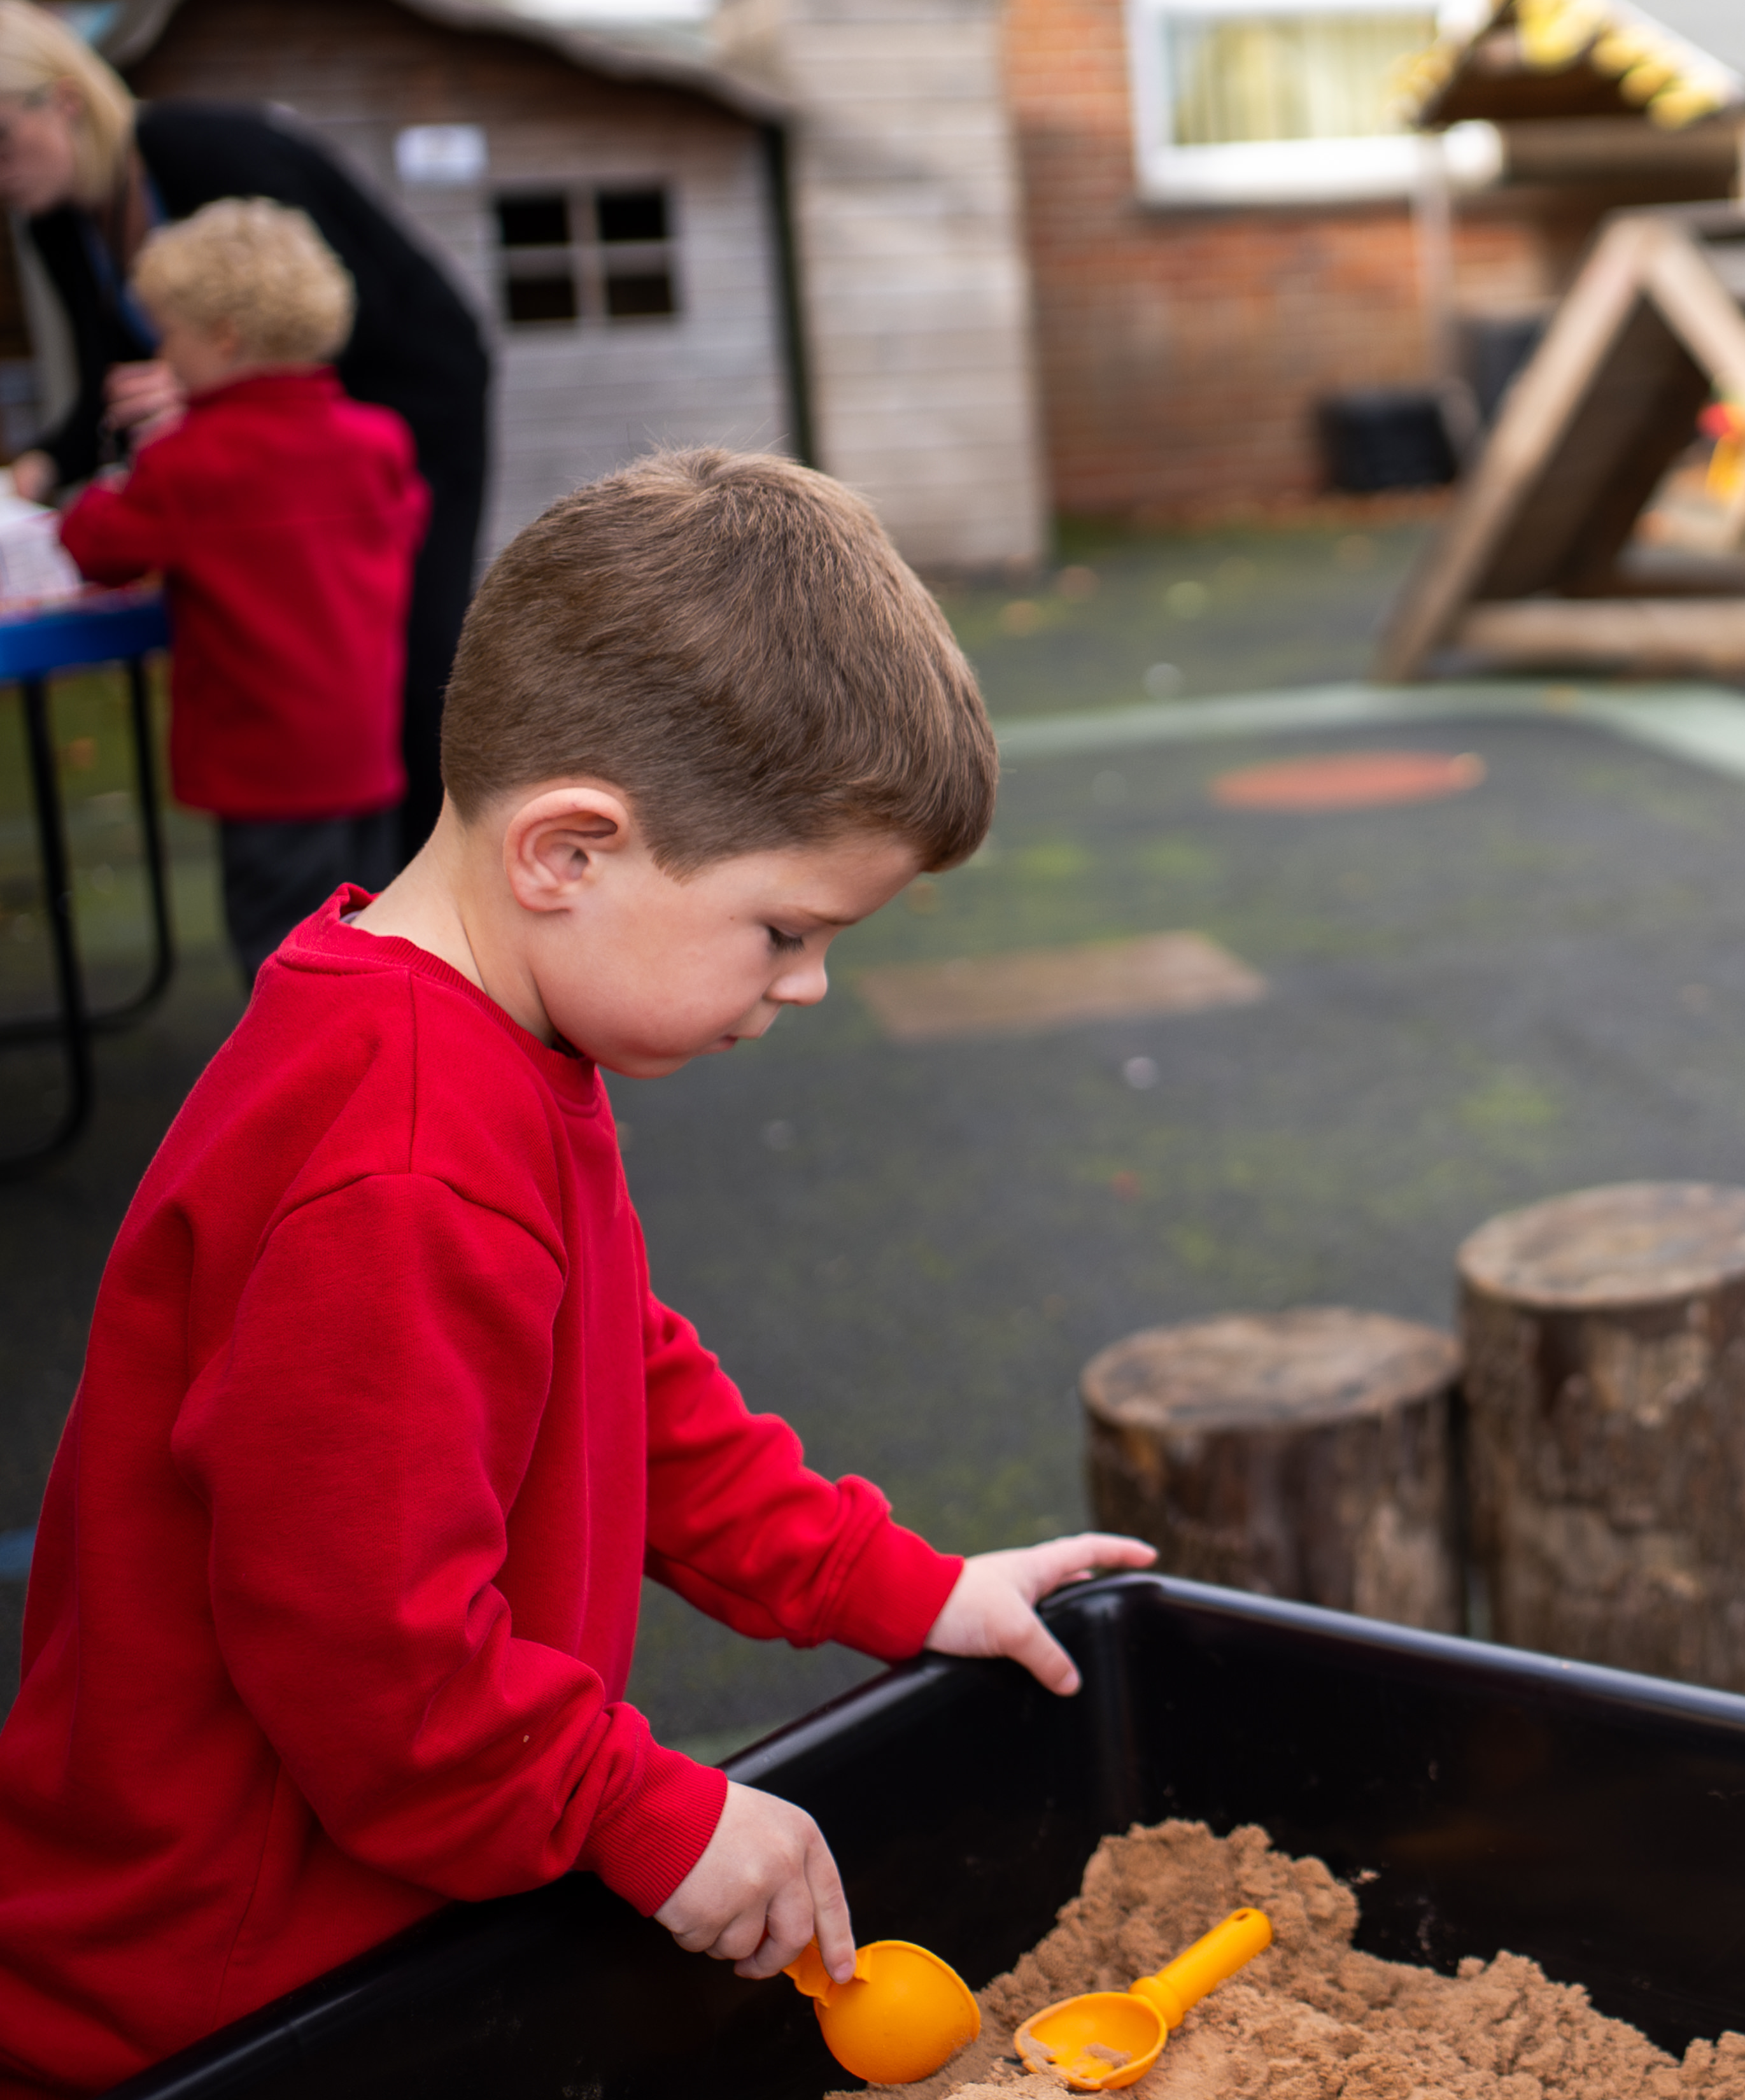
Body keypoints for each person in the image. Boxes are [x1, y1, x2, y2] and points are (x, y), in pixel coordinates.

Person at [0, 449, 1155, 2098]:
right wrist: (644, 1811)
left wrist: (900, 1583)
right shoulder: (400, 1166)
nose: (812, 986)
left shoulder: (487, 1034)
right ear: (570, 853)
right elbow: (369, 1659)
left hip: (360, 1912)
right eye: (783, 931)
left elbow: (620, 1387)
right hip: (223, 1991)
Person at [0, 0, 493, 865]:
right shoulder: (58, 225)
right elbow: (108, 386)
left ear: (62, 103)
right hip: (271, 445)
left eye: (1, 142)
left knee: (407, 659)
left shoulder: (213, 152)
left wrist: (216, 396)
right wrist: (37, 468)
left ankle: (440, 898)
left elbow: (342, 317)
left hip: (407, 406)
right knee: (307, 668)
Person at [50, 199, 423, 980]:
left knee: (280, 963)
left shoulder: (190, 461)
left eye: (168, 333)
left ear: (221, 336)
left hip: (267, 770)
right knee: (375, 943)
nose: (163, 352)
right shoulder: (377, 442)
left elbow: (97, 545)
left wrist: (124, 471)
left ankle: (305, 1098)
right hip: (365, 753)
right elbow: (406, 528)